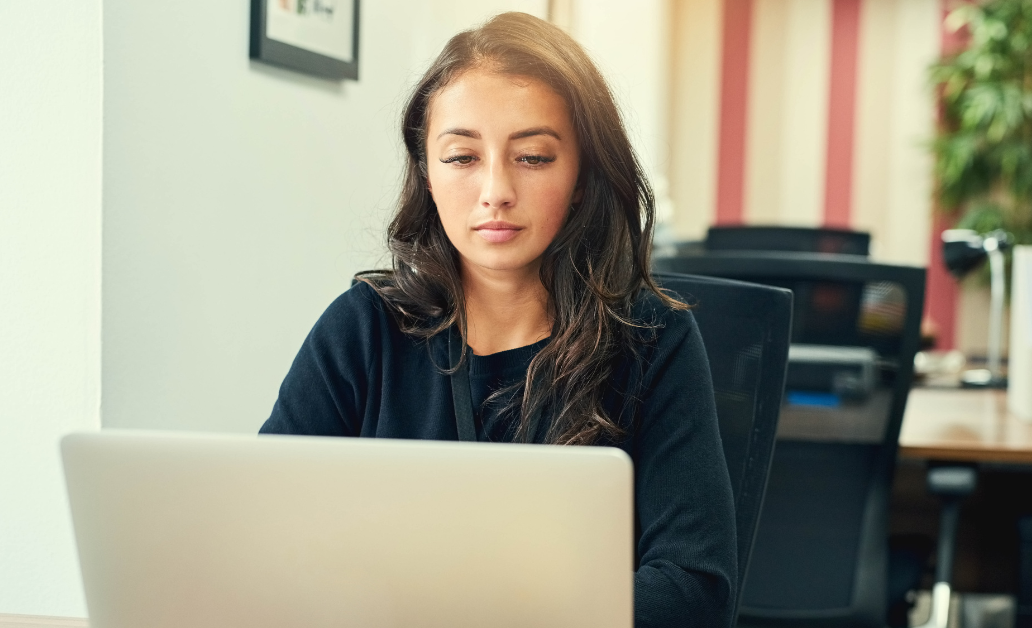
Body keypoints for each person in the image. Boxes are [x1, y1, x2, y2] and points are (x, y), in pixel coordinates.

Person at [261, 12, 736, 628]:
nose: (495, 191)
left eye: (533, 157)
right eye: (461, 157)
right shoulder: (362, 329)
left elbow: (694, 590)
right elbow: (267, 540)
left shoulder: (652, 340)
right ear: (426, 172)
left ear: (584, 173)